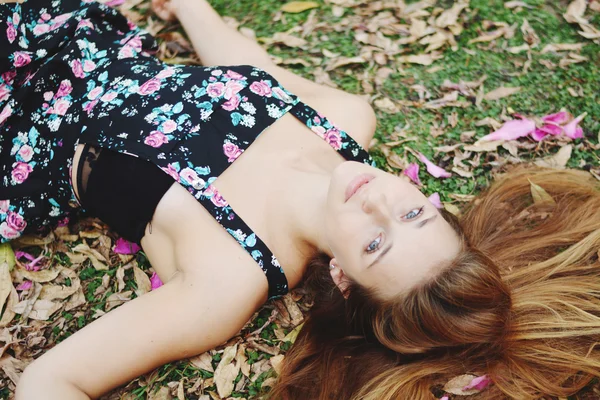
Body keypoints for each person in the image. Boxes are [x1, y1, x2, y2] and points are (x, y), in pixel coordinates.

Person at [2, 1, 599, 399]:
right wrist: (188, 4)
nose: (377, 205)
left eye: (375, 244)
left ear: (343, 277)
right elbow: (250, 67)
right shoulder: (345, 121)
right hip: (76, 36)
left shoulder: (231, 277)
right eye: (413, 213)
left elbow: (53, 382)